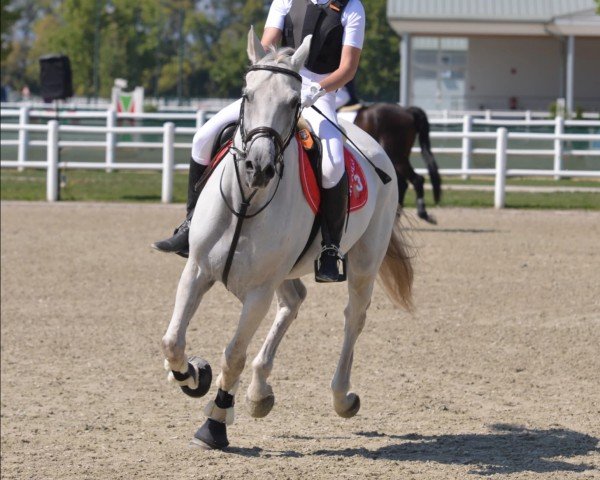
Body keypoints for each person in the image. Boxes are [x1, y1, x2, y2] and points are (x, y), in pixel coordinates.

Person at [153, 0, 365, 283]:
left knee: (333, 164)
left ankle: (329, 248)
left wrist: (317, 89)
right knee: (203, 137)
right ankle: (190, 224)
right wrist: (264, 66)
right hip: (275, 85)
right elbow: (267, 44)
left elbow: (348, 67)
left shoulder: (352, 8)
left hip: (320, 95)